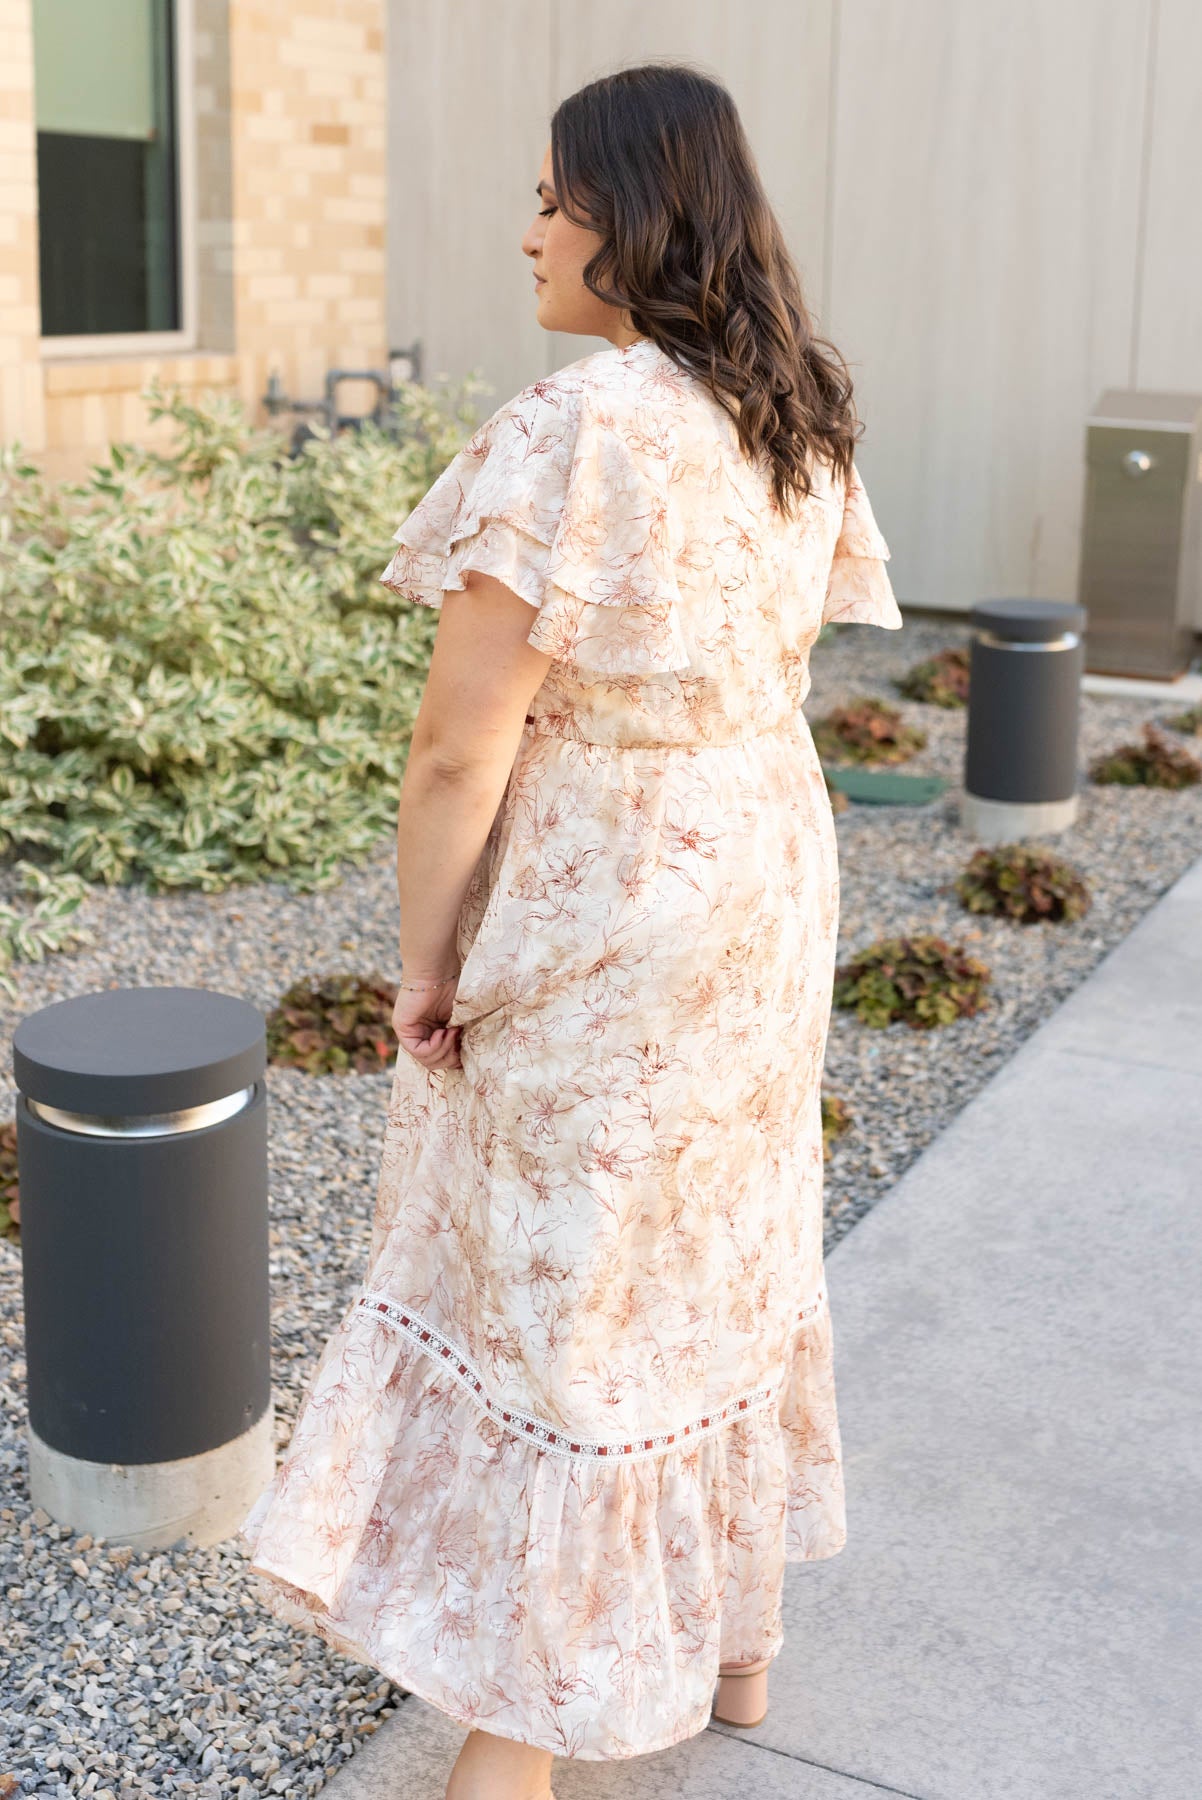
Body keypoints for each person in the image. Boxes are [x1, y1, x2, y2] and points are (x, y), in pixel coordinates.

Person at [238, 60, 902, 1800]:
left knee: (572, 1305)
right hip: (758, 871)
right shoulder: (799, 410)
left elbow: (462, 744)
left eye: (552, 194)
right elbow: (791, 651)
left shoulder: (571, 429)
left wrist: (431, 962)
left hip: (609, 896)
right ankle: (736, 1645)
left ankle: (516, 1747)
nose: (525, 226)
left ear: (631, 214)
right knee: (722, 1246)